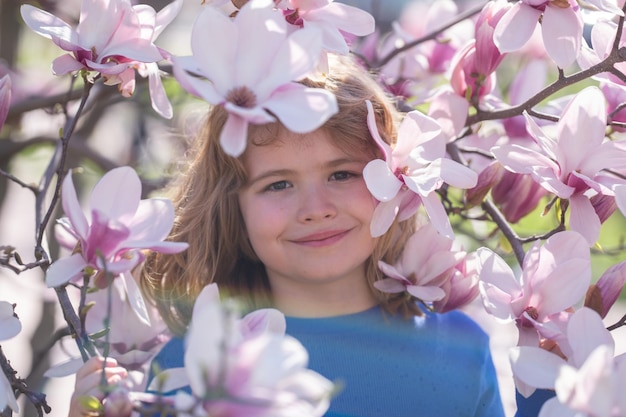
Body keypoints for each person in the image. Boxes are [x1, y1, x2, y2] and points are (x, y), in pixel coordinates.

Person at [68, 55, 546, 416]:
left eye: (342, 174)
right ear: (233, 208)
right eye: (278, 184)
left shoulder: (460, 351)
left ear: (394, 183)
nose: (315, 210)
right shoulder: (187, 364)